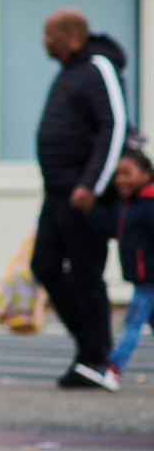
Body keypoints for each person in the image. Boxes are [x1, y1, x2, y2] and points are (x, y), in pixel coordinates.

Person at [32, 6, 128, 389]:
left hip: (84, 196)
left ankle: (97, 360)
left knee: (87, 275)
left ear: (72, 36)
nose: (44, 40)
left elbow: (116, 124)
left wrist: (92, 185)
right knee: (45, 266)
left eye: (49, 33)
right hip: (58, 194)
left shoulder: (99, 67)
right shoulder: (72, 71)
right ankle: (91, 350)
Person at [97, 147, 153, 385]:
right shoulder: (129, 203)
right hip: (141, 276)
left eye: (127, 173)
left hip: (149, 278)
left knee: (132, 322)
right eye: (117, 174)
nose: (120, 179)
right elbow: (111, 229)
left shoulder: (149, 203)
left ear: (146, 174)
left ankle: (113, 367)